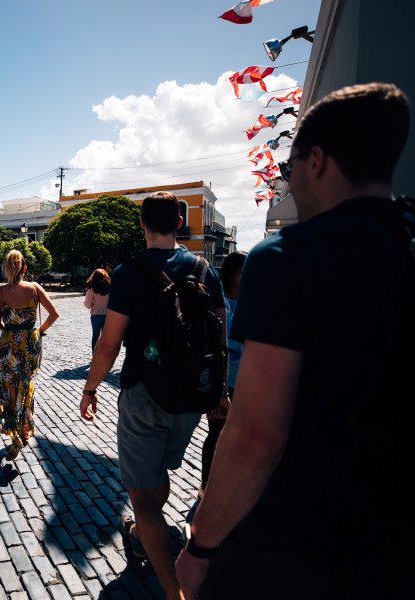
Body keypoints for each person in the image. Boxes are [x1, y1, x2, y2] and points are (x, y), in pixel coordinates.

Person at [176, 82, 414, 599]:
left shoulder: (289, 257)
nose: (288, 185)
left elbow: (257, 433)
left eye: (287, 170)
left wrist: (201, 547)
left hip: (301, 541)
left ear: (317, 162)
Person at [79, 191, 227, 599]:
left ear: (141, 225)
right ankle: (149, 535)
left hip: (145, 393)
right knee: (155, 479)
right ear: (179, 223)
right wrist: (218, 391)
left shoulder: (129, 273)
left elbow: (108, 345)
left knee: (143, 499)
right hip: (191, 399)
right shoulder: (204, 269)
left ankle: (174, 590)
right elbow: (220, 336)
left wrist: (90, 388)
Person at [0, 250, 60, 461]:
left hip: (8, 345)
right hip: (30, 344)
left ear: (6, 268)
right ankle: (23, 430)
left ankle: (14, 436)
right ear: (25, 268)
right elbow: (54, 314)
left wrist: (11, 328)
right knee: (26, 386)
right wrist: (37, 331)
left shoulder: (1, 292)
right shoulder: (34, 289)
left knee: (8, 388)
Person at [195, 251, 246, 510]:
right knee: (216, 433)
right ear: (231, 274)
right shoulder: (222, 301)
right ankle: (206, 485)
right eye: (243, 271)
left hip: (248, 382)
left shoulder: (251, 301)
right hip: (224, 379)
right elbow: (224, 341)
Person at [83, 268, 110, 353]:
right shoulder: (109, 287)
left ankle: (94, 356)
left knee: (95, 336)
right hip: (107, 315)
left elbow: (87, 303)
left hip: (95, 315)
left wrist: (91, 305)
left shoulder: (91, 288)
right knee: (105, 337)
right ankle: (104, 355)